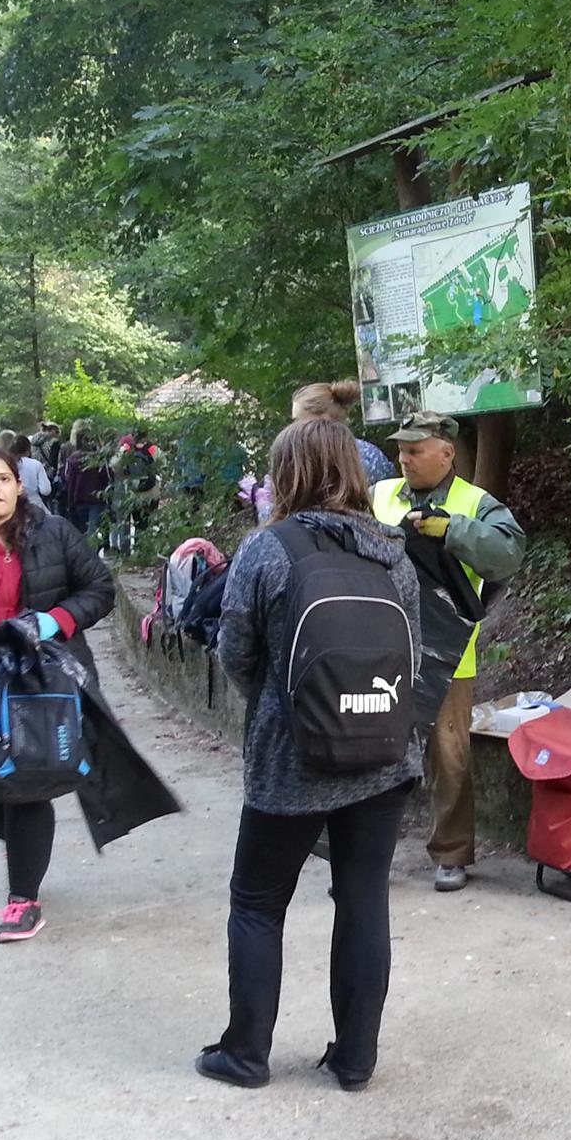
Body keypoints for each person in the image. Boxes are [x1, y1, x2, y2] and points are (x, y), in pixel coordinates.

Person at [195, 418, 422, 1091]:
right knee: (363, 898)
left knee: (257, 902)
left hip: (291, 759)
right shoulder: (394, 554)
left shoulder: (267, 550)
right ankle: (355, 1059)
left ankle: (245, 1054)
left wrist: (284, 705)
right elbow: (412, 657)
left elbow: (236, 652)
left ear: (285, 475)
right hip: (384, 752)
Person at [0, 443, 115, 941]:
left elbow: (100, 589)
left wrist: (56, 621)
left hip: (43, 680)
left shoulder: (55, 531)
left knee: (25, 784)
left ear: (18, 484)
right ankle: (27, 848)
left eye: (2, 479)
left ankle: (23, 899)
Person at [369, 411, 524, 892]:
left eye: (415, 450)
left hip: (448, 652)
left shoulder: (474, 503)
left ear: (446, 453)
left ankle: (452, 854)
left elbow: (509, 553)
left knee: (449, 754)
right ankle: (365, 855)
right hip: (381, 646)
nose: (405, 458)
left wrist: (453, 530)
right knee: (372, 752)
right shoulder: (379, 494)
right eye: (401, 450)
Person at [292, 379, 397, 487]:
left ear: (324, 419)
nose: (293, 428)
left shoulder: (302, 461)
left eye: (299, 421)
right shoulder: (370, 454)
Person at [60, 421, 112, 535]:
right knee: (92, 533)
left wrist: (69, 502)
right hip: (96, 499)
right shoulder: (99, 459)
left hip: (78, 499)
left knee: (82, 532)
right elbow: (106, 479)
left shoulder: (72, 459)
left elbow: (69, 481)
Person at [0, 430, 52, 509]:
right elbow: (46, 490)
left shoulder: (0, 465)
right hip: (34, 506)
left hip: (9, 506)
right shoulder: (35, 464)